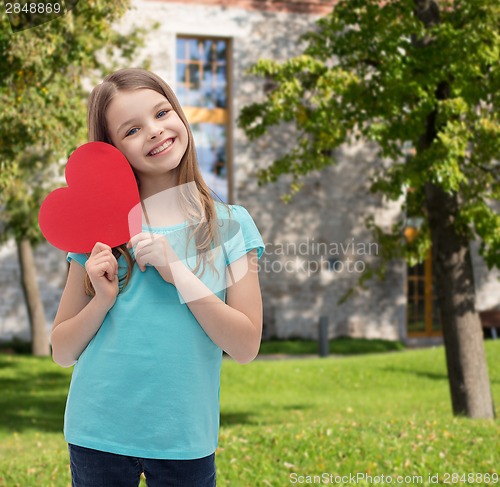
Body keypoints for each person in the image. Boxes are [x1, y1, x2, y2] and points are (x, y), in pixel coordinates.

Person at [49, 67, 266, 487]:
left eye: (162, 112)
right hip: (98, 434)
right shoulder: (98, 231)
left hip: (184, 439)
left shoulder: (230, 225)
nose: (154, 131)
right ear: (112, 149)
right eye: (131, 130)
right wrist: (102, 299)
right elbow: (61, 350)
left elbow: (245, 345)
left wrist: (178, 272)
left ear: (180, 116)